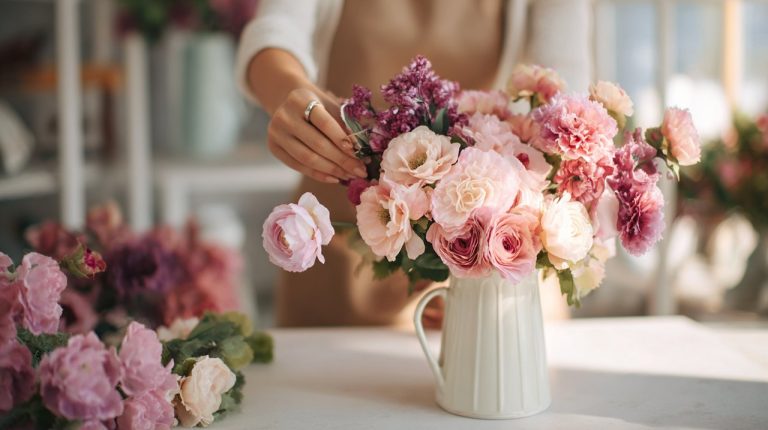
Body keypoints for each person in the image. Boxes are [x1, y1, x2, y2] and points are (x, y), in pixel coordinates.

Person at [236, 0, 592, 327]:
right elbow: (276, 31)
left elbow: (562, 96)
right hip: (337, 253)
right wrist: (288, 92)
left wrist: (481, 257)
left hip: (489, 264)